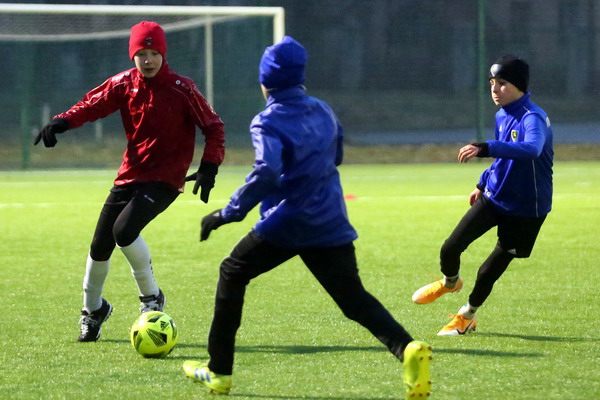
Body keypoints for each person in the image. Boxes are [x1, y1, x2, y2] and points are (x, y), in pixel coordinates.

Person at [180, 36, 432, 399]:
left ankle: (219, 371)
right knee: (353, 299)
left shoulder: (267, 120)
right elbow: (337, 155)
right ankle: (406, 349)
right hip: (330, 220)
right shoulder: (323, 109)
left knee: (232, 272)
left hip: (287, 222)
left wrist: (228, 212)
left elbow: (267, 171)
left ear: (265, 81)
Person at [34, 21, 225, 342]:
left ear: (164, 54)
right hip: (130, 174)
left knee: (123, 231)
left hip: (165, 179)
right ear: (132, 55)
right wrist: (62, 122)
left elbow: (214, 127)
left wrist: (209, 166)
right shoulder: (124, 83)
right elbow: (92, 105)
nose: (148, 60)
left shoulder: (183, 88)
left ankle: (152, 299)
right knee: (99, 246)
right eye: (141, 54)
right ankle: (93, 310)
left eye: (154, 53)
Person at [412, 55, 553, 336]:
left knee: (487, 271)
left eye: (502, 83)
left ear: (520, 85)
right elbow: (503, 157)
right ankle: (450, 282)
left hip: (526, 208)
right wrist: (482, 182)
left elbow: (531, 149)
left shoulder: (533, 117)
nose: (494, 89)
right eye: (492, 83)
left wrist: (486, 147)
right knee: (450, 248)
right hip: (495, 196)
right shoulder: (502, 115)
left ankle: (467, 316)